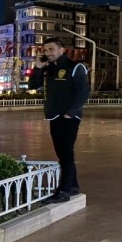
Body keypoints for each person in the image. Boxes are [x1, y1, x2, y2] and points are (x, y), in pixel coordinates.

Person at [28, 37, 90, 203]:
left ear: (61, 50)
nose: (47, 53)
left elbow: (83, 92)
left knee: (66, 153)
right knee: (62, 153)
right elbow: (32, 86)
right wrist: (38, 68)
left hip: (69, 117)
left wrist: (71, 112)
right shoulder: (49, 68)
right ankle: (73, 186)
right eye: (45, 50)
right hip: (54, 116)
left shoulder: (75, 67)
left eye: (51, 49)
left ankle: (63, 191)